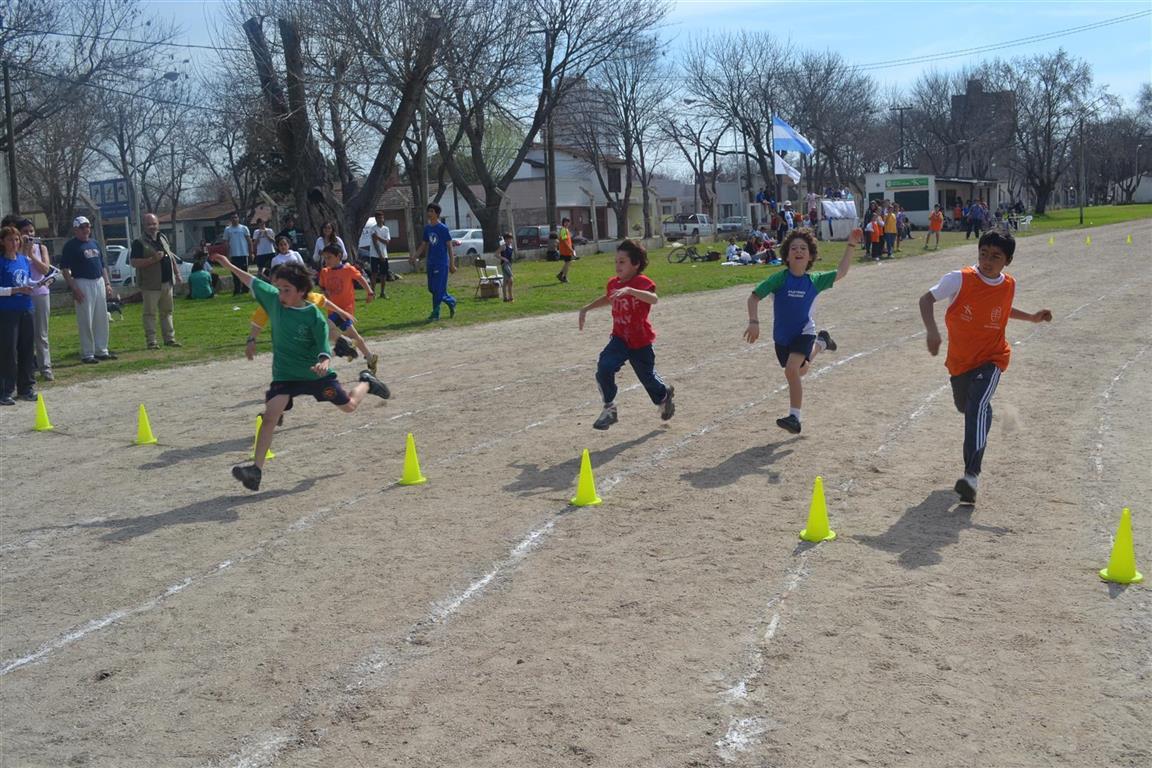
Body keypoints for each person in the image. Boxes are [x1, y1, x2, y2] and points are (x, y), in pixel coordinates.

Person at [208, 255, 391, 491]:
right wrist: (228, 265)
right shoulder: (274, 300)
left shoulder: (314, 316)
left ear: (302, 291)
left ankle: (366, 382)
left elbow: (323, 348)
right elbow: (250, 280)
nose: (280, 294)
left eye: (286, 289)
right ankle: (255, 470)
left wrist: (325, 361)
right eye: (279, 288)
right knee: (270, 416)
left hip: (316, 375)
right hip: (285, 376)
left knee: (349, 406)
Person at [918, 230, 1052, 504]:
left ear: (1008, 261)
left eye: (996, 256)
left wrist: (1031, 318)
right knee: (969, 408)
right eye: (983, 254)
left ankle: (971, 476)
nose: (988, 261)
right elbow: (926, 299)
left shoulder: (1008, 284)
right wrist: (932, 331)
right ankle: (982, 418)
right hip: (960, 363)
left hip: (992, 358)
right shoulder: (960, 279)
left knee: (977, 406)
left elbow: (1002, 308)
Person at [744, 227, 863, 434]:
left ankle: (794, 418)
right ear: (787, 256)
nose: (798, 251)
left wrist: (851, 244)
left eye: (803, 248)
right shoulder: (779, 279)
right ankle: (822, 343)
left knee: (792, 370)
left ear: (810, 256)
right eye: (793, 248)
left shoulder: (814, 281)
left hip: (804, 332)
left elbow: (842, 272)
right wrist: (754, 321)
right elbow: (753, 297)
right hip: (782, 337)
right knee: (800, 370)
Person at [578, 239, 674, 431]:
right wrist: (586, 308)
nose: (617, 265)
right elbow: (608, 298)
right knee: (604, 367)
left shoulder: (641, 282)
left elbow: (654, 299)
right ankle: (609, 408)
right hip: (620, 339)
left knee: (648, 379)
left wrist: (631, 290)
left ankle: (664, 396)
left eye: (622, 261)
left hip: (641, 342)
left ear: (635, 263)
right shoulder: (613, 283)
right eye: (616, 261)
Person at [246, 267, 378, 375]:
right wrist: (251, 339)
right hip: (312, 328)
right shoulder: (273, 302)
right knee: (332, 338)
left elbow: (322, 300)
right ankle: (347, 347)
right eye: (276, 284)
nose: (279, 287)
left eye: (282, 284)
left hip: (322, 322)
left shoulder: (300, 295)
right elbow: (258, 321)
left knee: (345, 337)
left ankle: (353, 350)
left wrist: (341, 312)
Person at [60, 216, 116, 364]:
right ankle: (87, 353)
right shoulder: (71, 246)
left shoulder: (95, 243)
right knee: (86, 319)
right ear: (76, 229)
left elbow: (102, 265)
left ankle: (101, 349)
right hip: (82, 282)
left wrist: (107, 283)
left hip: (98, 281)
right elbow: (65, 269)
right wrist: (74, 288)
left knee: (101, 317)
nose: (86, 230)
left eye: (88, 226)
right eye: (83, 227)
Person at [317, 244, 376, 367]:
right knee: (351, 335)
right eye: (325, 258)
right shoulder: (324, 272)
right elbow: (322, 286)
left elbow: (361, 279)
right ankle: (369, 357)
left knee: (326, 329)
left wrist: (370, 292)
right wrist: (324, 292)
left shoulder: (348, 269)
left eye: (329, 257)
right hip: (332, 309)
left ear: (339, 256)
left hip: (345, 309)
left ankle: (348, 346)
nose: (326, 260)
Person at [130, 213, 182, 349]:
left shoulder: (163, 238)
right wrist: (152, 260)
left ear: (158, 224)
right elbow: (134, 262)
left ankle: (170, 339)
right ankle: (152, 341)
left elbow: (170, 257)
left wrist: (176, 273)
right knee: (150, 314)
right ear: (144, 226)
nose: (152, 227)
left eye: (154, 224)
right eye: (149, 224)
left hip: (167, 282)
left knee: (167, 312)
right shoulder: (138, 242)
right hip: (150, 285)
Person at [0, 225, 37, 405]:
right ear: (3, 242)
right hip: (7, 311)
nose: (14, 243)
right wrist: (16, 290)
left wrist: (39, 283)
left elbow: (27, 281)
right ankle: (5, 390)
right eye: (10, 240)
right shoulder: (1, 263)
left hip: (26, 308)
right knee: (8, 352)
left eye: (16, 240)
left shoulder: (23, 260)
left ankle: (26, 388)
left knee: (27, 349)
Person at [16, 218, 55, 381]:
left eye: (31, 231)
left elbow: (45, 269)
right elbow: (20, 267)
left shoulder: (41, 248)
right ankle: (26, 368)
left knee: (41, 333)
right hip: (23, 295)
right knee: (24, 334)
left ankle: (45, 367)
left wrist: (32, 253)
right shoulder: (15, 250)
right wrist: (24, 251)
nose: (29, 234)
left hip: (41, 293)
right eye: (25, 232)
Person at [409, 203, 457, 322]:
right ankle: (451, 301)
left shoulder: (443, 228)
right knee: (432, 288)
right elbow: (424, 244)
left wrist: (452, 263)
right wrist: (414, 256)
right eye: (428, 211)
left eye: (431, 211)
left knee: (438, 288)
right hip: (431, 262)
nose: (429, 214)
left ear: (436, 214)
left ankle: (435, 313)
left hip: (441, 263)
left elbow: (450, 246)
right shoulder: (428, 228)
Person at [223, 213, 252, 295]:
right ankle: (237, 290)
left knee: (244, 272)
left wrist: (251, 253)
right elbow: (226, 243)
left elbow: (249, 241)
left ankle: (245, 290)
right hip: (233, 255)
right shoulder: (228, 229)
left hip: (243, 254)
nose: (234, 219)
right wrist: (227, 255)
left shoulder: (244, 228)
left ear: (238, 218)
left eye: (236, 217)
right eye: (232, 218)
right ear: (230, 219)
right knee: (235, 273)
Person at [368, 209, 393, 296]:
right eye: (378, 218)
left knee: (383, 274)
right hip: (375, 255)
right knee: (374, 273)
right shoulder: (372, 229)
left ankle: (382, 292)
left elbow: (387, 242)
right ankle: (372, 292)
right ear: (376, 219)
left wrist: (378, 237)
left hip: (384, 254)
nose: (380, 219)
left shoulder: (386, 229)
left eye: (381, 217)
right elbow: (375, 244)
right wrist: (380, 255)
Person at [556, 216, 575, 283]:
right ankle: (564, 277)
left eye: (568, 222)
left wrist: (571, 248)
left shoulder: (566, 229)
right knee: (568, 263)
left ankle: (561, 274)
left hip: (567, 249)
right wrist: (570, 249)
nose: (567, 223)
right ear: (563, 223)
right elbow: (564, 241)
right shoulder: (563, 230)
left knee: (568, 263)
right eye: (565, 222)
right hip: (565, 249)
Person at [499, 232, 515, 302]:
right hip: (505, 265)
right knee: (511, 280)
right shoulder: (503, 246)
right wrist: (504, 258)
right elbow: (496, 254)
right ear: (505, 240)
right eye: (507, 239)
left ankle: (505, 298)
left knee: (505, 282)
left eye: (510, 239)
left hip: (509, 265)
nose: (509, 240)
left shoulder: (511, 246)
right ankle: (511, 297)